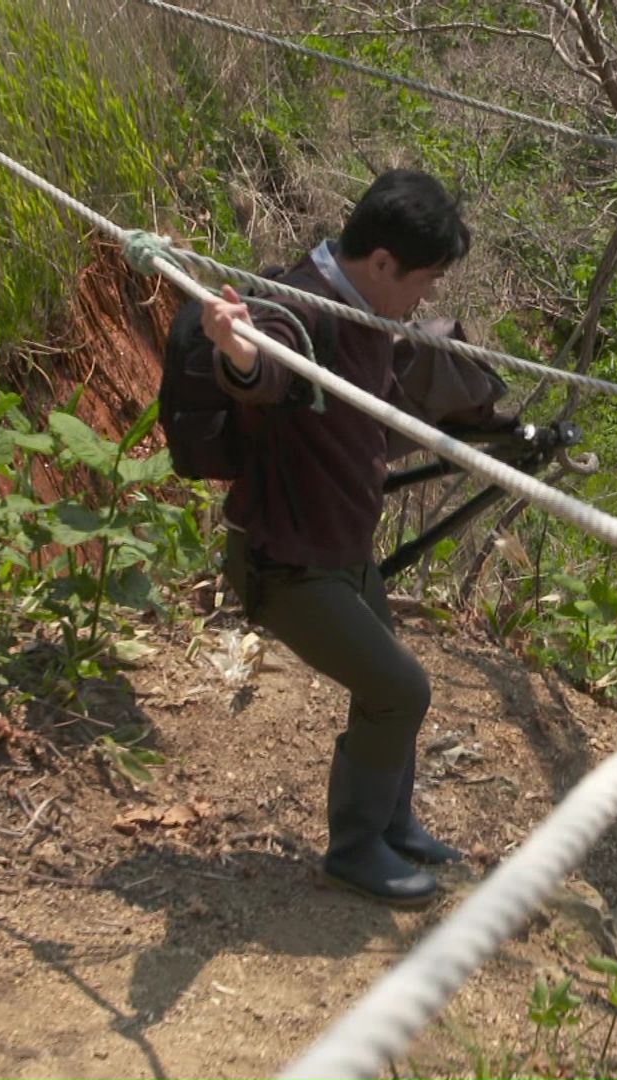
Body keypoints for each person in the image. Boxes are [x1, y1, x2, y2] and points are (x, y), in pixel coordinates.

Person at [198, 169, 471, 907]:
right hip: (287, 565)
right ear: (381, 262)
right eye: (423, 280)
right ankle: (354, 849)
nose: (425, 299)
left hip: (342, 551)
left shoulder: (368, 314)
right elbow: (264, 361)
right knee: (399, 690)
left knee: (391, 688)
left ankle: (391, 823)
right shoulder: (299, 309)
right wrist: (240, 352)